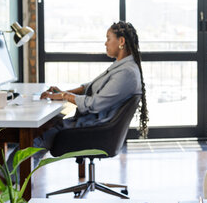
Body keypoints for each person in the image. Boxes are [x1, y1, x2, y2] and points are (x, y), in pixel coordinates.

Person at [32, 21, 149, 164]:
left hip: (96, 129)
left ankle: (9, 180)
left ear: (121, 41)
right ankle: (17, 177)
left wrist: (64, 96)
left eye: (108, 38)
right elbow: (90, 87)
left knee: (40, 135)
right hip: (94, 124)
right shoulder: (121, 67)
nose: (105, 43)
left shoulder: (126, 73)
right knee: (44, 131)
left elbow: (93, 104)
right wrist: (64, 92)